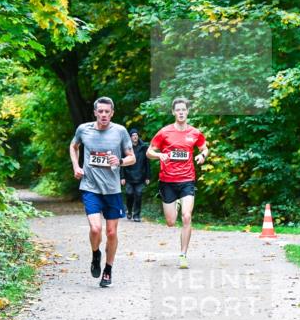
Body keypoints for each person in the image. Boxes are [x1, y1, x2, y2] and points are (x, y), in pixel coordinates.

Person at [69, 97, 135, 288]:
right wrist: (76, 166)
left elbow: (132, 158)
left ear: (112, 113)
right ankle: (96, 253)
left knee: (112, 233)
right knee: (96, 229)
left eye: (107, 112)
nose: (104, 115)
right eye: (101, 111)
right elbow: (74, 147)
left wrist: (120, 161)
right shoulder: (84, 129)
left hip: (112, 189)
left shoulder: (120, 131)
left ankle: (108, 270)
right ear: (95, 112)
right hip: (90, 187)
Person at [147, 98, 208, 269]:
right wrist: (159, 155)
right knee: (171, 222)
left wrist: (202, 156)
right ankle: (176, 206)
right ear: (173, 112)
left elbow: (204, 148)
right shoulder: (164, 132)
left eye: (184, 109)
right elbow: (149, 151)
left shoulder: (195, 133)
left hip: (187, 179)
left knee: (187, 217)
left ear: (188, 111)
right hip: (167, 181)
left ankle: (183, 255)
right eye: (178, 110)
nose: (181, 112)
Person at [121, 128, 150, 221]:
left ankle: (136, 215)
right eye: (133, 135)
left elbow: (147, 163)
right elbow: (121, 163)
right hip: (128, 176)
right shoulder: (126, 148)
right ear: (130, 137)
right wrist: (122, 177)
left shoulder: (144, 147)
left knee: (139, 194)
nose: (135, 137)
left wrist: (147, 176)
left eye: (136, 135)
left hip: (140, 176)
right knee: (129, 194)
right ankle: (129, 210)